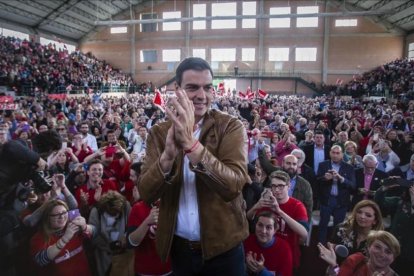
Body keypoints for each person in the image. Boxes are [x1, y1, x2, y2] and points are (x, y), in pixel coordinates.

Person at [138, 57, 250, 275]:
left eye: (208, 87)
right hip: (181, 252)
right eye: (192, 88)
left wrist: (191, 145)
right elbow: (146, 192)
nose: (202, 95)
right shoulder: (160, 133)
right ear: (177, 89)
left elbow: (233, 186)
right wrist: (168, 157)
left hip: (225, 249)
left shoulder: (230, 126)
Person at [247, 170, 308, 270]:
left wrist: (279, 211)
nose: (277, 190)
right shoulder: (267, 202)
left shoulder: (298, 206)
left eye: (281, 186)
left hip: (287, 254)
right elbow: (249, 218)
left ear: (289, 186)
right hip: (264, 252)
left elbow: (304, 233)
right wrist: (256, 206)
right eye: (274, 186)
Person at [126, 162, 172, 275]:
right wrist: (147, 222)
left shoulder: (171, 205)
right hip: (146, 271)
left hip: (170, 269)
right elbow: (130, 242)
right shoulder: (138, 207)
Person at [30, 199, 95, 276]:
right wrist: (64, 239)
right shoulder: (38, 238)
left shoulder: (74, 226)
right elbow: (40, 261)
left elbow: (96, 232)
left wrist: (85, 227)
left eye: (64, 212)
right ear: (47, 218)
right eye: (56, 214)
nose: (62, 217)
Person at [317, 145, 356, 244]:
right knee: (323, 225)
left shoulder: (349, 167)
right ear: (330, 153)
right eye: (333, 153)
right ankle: (320, 247)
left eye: (337, 153)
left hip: (341, 202)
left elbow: (353, 186)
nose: (335, 155)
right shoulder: (323, 165)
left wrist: (341, 178)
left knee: (338, 227)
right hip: (326, 201)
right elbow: (316, 181)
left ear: (342, 154)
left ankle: (335, 248)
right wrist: (325, 179)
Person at [374, 180, 414, 275]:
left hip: (410, 254)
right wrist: (384, 188)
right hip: (392, 249)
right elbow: (379, 203)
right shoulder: (400, 202)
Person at [318, 230, 400, 276]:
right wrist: (334, 265)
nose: (382, 254)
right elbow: (339, 274)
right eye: (377, 247)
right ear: (368, 247)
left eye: (388, 252)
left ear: (394, 257)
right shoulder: (356, 260)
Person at [88, 191, 132, 276]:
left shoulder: (126, 207)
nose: (115, 216)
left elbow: (132, 226)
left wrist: (125, 239)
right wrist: (109, 247)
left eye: (117, 214)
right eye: (111, 214)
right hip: (104, 258)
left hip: (124, 257)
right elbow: (93, 235)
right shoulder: (96, 211)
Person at [244, 211, 293, 276]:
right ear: (255, 226)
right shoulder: (247, 241)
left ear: (275, 230)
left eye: (268, 227)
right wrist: (245, 264)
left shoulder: (284, 249)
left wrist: (262, 270)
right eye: (260, 225)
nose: (263, 231)